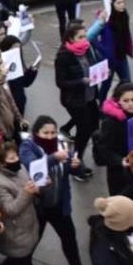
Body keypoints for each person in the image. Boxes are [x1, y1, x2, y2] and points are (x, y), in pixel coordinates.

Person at [19, 116, 94, 265]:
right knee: (33, 239)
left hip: (59, 203)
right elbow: (32, 166)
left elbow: (71, 170)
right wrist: (54, 158)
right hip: (38, 205)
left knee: (69, 237)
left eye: (53, 132)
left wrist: (77, 166)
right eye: (45, 133)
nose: (50, 136)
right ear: (36, 132)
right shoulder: (28, 146)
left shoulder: (62, 145)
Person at [54, 23, 101, 172]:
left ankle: (97, 152)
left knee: (94, 125)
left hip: (90, 96)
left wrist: (100, 72)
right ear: (71, 39)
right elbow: (61, 82)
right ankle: (76, 162)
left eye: (85, 36)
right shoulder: (63, 56)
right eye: (80, 37)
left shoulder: (87, 49)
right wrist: (81, 82)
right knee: (84, 130)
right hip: (74, 100)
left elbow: (92, 66)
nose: (84, 40)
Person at [95, 83, 133, 195]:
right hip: (119, 172)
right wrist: (120, 160)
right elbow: (103, 150)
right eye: (126, 100)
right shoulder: (111, 122)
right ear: (118, 102)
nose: (130, 104)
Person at [93, 0, 133, 99]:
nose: (122, 5)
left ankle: (120, 102)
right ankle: (100, 107)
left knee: (127, 82)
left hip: (122, 57)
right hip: (109, 60)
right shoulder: (105, 20)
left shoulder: (124, 16)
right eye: (118, 3)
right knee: (106, 85)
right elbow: (92, 38)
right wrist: (103, 49)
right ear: (111, 5)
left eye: (123, 2)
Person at [0, 36, 38, 116]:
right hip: (6, 102)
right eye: (14, 48)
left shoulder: (19, 62)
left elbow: (25, 83)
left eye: (18, 48)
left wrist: (32, 71)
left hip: (19, 100)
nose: (17, 50)